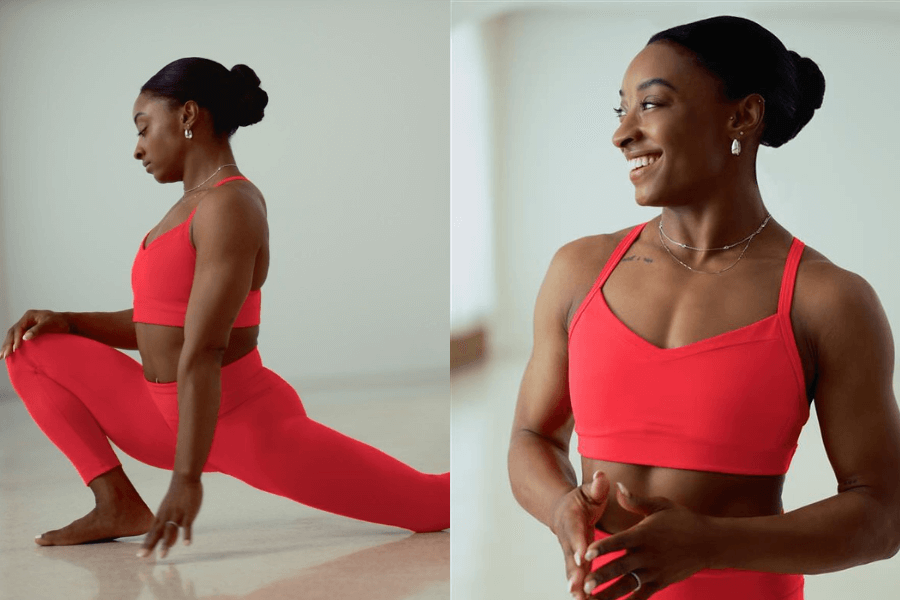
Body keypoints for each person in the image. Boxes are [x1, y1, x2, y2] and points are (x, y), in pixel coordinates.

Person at [508, 16, 900, 600]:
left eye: (653, 105)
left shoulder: (827, 299)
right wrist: (561, 505)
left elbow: (883, 516)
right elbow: (532, 435)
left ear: (742, 116)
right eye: (622, 111)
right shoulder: (579, 271)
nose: (623, 134)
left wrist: (710, 544)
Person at [2, 57, 449, 558]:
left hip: (237, 423)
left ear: (188, 114)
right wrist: (69, 321)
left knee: (432, 505)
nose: (137, 148)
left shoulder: (229, 206)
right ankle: (116, 503)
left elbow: (204, 347)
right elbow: (161, 323)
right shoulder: (186, 205)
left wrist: (186, 478)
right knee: (32, 350)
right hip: (158, 415)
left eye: (144, 128)